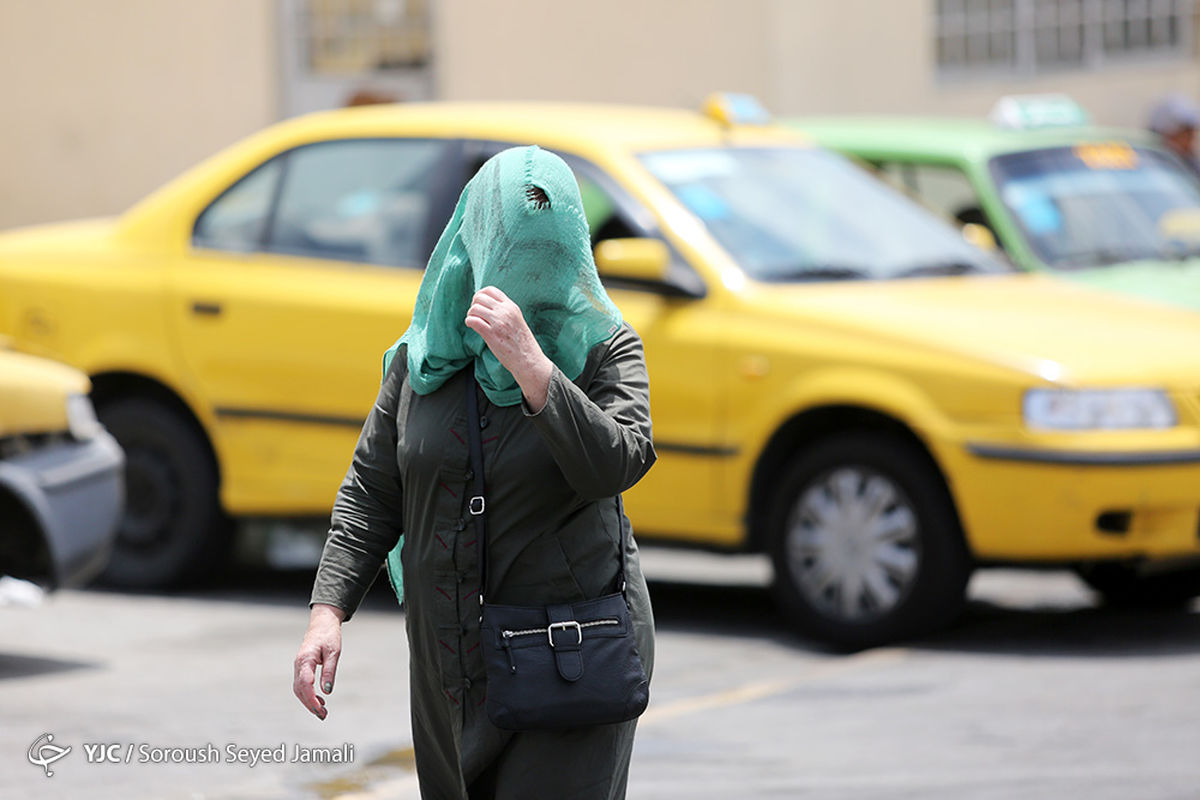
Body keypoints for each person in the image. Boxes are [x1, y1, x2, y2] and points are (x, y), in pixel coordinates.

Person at [293, 145, 657, 800]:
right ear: (478, 247)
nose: (535, 280)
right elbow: (374, 489)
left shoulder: (603, 343)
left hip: (565, 659)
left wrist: (536, 371)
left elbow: (620, 463)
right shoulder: (424, 355)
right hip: (450, 664)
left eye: (552, 259)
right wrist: (328, 612)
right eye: (518, 258)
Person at [1148, 93, 1200, 177]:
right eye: (1185, 134)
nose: (1191, 141)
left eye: (1191, 134)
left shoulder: (1191, 164)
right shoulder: (1147, 164)